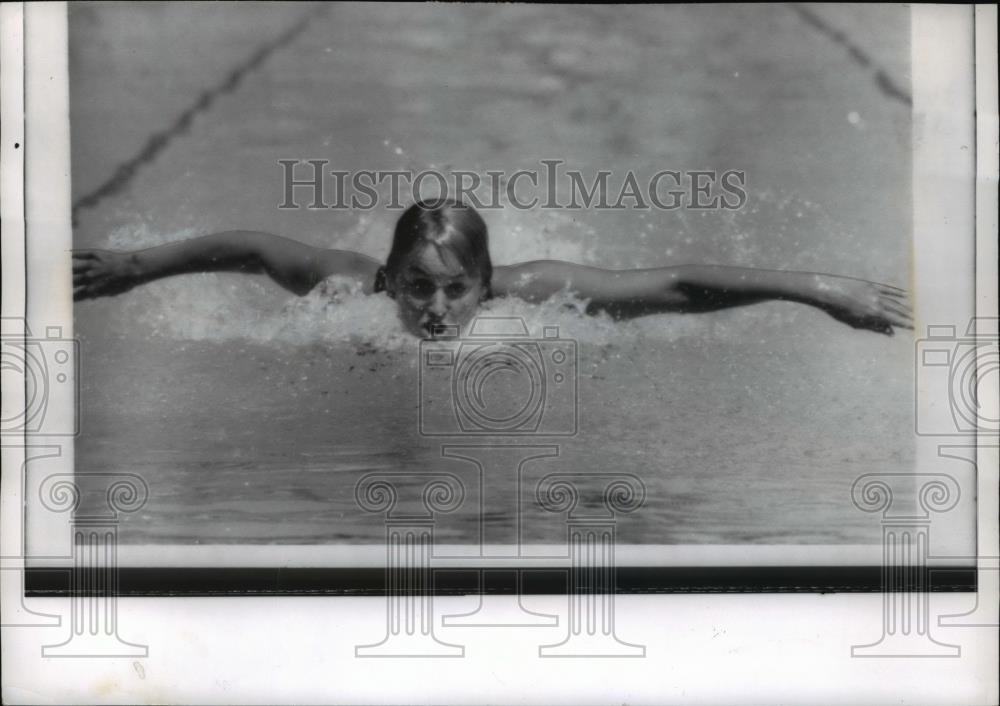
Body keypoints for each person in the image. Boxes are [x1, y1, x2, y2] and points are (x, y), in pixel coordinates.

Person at [72, 198, 912, 338]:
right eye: (416, 287)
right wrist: (135, 267)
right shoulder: (343, 285)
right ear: (388, 278)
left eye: (454, 290)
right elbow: (248, 249)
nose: (435, 311)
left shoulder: (533, 294)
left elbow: (675, 285)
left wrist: (819, 290)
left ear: (486, 280)